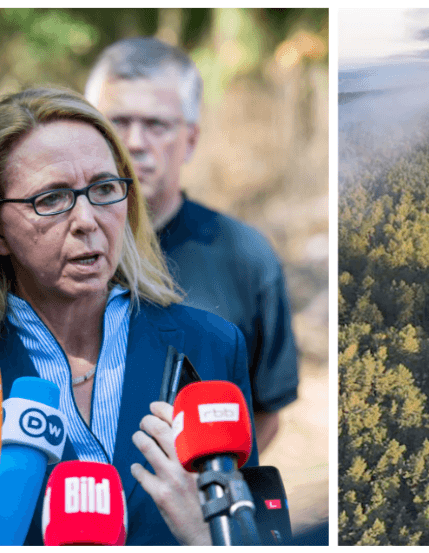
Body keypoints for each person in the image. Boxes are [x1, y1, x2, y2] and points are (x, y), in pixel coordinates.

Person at [0, 87, 258, 545]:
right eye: (52, 198)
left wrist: (211, 539)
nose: (86, 219)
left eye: (103, 189)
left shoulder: (210, 347)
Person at [85, 37, 298, 453]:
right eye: (117, 123)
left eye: (157, 125)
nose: (134, 143)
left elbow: (265, 412)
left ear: (192, 139)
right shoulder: (56, 250)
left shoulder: (245, 257)